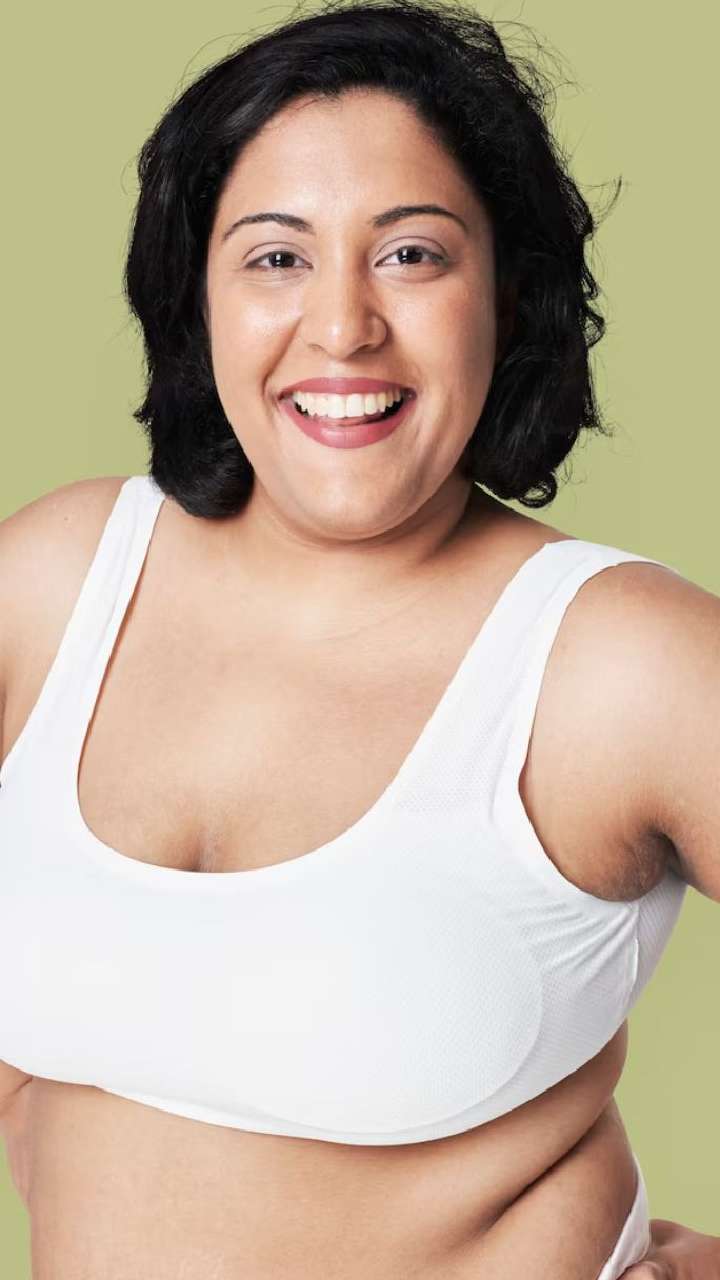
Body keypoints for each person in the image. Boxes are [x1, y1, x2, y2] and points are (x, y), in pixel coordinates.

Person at [0, 0, 717, 1275]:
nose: (342, 327)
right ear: (198, 295)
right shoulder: (56, 578)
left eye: (412, 255)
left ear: (508, 294)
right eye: (277, 256)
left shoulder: (616, 663)